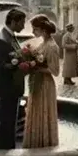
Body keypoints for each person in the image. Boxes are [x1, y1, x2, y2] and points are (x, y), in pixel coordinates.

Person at [0, 9, 26, 150]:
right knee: (7, 122)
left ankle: (9, 148)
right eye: (21, 23)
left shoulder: (10, 36)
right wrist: (17, 63)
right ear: (13, 22)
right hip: (7, 88)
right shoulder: (1, 39)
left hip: (13, 87)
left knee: (11, 121)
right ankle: (4, 150)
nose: (23, 26)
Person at [23, 15, 60, 148]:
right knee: (36, 112)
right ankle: (36, 140)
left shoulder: (51, 46)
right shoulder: (43, 43)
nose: (33, 32)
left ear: (43, 30)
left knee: (43, 112)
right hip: (37, 82)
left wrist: (36, 67)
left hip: (45, 84)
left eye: (35, 29)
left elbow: (55, 71)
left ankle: (45, 142)